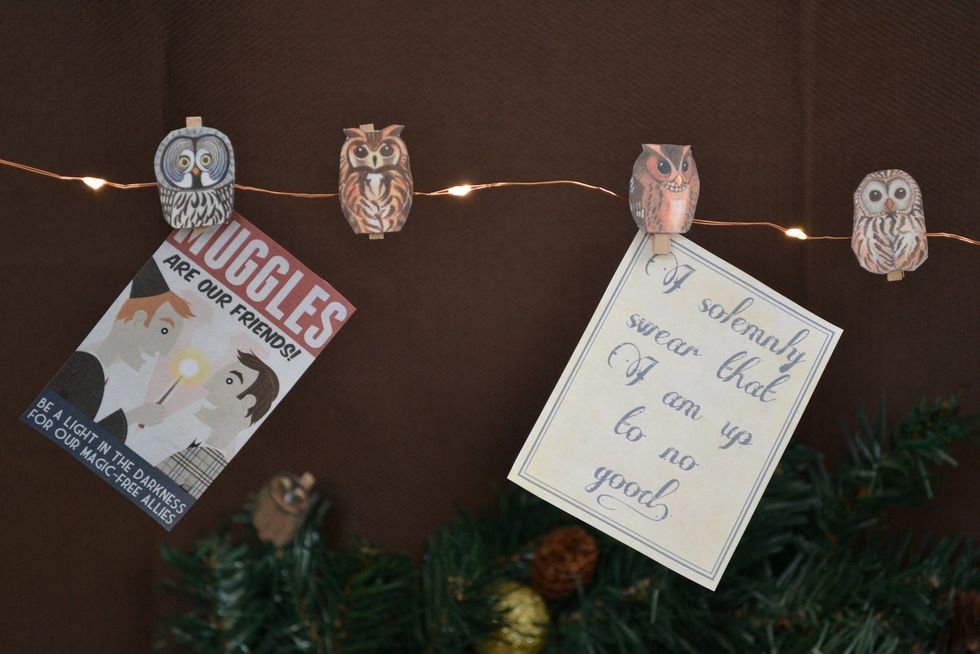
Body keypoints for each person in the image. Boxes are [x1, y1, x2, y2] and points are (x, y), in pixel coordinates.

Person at [45, 258, 194, 441]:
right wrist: (132, 417)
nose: (165, 348)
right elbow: (73, 438)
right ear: (138, 319)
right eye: (164, 330)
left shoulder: (112, 375)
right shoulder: (85, 365)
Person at [156, 350, 279, 498]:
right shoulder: (196, 448)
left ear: (247, 402)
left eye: (229, 381)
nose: (209, 385)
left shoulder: (208, 460)